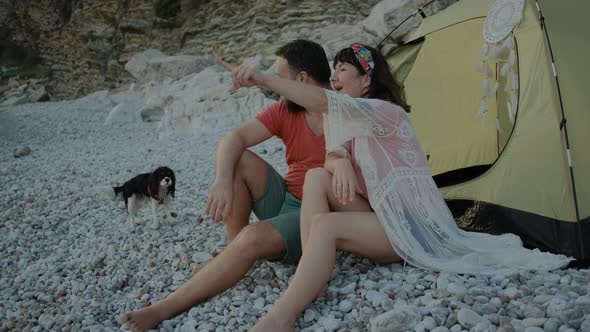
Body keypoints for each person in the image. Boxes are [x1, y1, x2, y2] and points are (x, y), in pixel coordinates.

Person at [220, 43, 573, 331]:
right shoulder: (351, 122)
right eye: (334, 68)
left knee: (326, 225)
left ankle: (282, 316)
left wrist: (264, 78)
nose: (334, 76)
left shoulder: (385, 113)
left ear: (366, 82)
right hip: (380, 217)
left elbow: (323, 101)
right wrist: (339, 158)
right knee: (316, 176)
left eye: (343, 70)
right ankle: (311, 274)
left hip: (407, 227)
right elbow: (331, 153)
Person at [120, 39, 332, 332]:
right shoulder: (287, 109)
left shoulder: (343, 107)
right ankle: (233, 255)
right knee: (237, 159)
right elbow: (233, 138)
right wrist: (222, 181)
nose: (275, 87)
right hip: (285, 198)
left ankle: (161, 309)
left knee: (253, 237)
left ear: (302, 79)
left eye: (280, 78)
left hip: (314, 216)